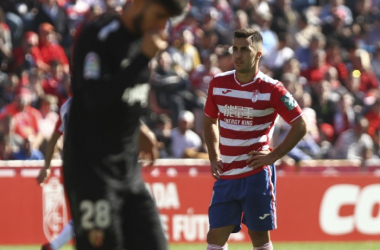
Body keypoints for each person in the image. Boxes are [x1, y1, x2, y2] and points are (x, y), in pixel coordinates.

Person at [63, 1, 188, 250]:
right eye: (160, 16)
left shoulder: (144, 41)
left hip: (129, 174)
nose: (163, 26)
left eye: (168, 20)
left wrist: (139, 127)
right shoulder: (99, 35)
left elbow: (125, 94)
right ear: (139, 3)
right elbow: (92, 98)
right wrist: (141, 59)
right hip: (92, 174)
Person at [203, 28, 307, 250]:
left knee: (259, 237)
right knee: (215, 236)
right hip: (227, 173)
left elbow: (300, 124)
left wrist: (274, 156)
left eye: (245, 49)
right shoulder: (218, 83)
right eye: (235, 49)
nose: (238, 55)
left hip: (256, 175)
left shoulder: (272, 89)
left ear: (258, 54)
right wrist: (214, 157)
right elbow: (210, 120)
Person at [37, 97, 73, 250]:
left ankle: (54, 245)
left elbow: (53, 139)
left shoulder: (67, 106)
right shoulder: (91, 97)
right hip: (91, 164)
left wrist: (46, 166)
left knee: (84, 212)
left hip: (72, 166)